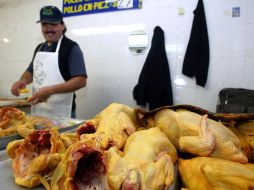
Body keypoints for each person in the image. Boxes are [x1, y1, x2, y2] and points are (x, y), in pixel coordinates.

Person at [11, 5, 87, 118]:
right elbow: (31, 71)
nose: (48, 28)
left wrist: (50, 90)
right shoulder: (39, 48)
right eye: (44, 24)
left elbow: (81, 81)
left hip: (62, 114)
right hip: (38, 111)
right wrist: (22, 81)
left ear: (62, 25)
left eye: (53, 24)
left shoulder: (71, 48)